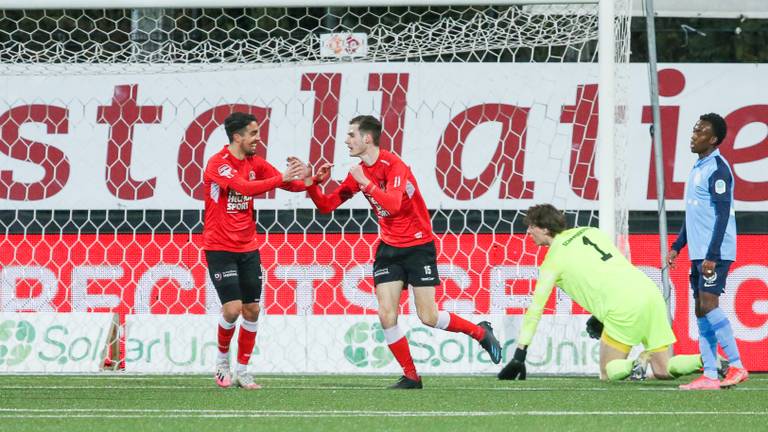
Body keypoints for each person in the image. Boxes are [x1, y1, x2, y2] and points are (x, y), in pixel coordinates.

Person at [295, 115, 502, 389]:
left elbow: (392, 205)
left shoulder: (394, 166)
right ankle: (411, 376)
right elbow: (326, 206)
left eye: (351, 135)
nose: (346, 140)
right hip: (389, 248)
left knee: (428, 316)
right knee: (386, 314)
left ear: (367, 138)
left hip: (418, 246)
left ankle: (480, 332)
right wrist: (311, 183)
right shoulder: (359, 172)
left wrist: (365, 184)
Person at [498, 204, 706, 382]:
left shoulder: (552, 261)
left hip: (621, 307)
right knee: (663, 370)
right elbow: (604, 271)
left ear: (544, 229)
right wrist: (599, 315)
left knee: (607, 373)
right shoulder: (591, 231)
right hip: (649, 292)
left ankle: (636, 363)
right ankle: (705, 360)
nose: (529, 232)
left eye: (531, 226)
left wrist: (519, 354)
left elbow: (535, 310)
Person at [203, 112, 317, 390]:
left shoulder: (255, 163)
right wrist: (281, 178)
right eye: (253, 133)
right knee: (231, 310)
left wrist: (311, 178)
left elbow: (289, 184)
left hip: (248, 247)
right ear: (237, 136)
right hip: (220, 247)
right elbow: (244, 187)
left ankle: (242, 370)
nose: (258, 138)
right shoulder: (218, 164)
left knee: (252, 310)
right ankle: (221, 363)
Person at [667, 113, 748, 390]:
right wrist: (678, 246)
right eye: (693, 129)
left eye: (699, 131)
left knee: (709, 305)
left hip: (716, 252)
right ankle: (711, 374)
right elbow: (695, 216)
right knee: (700, 310)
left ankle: (736, 365)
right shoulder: (698, 167)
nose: (693, 135)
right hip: (699, 252)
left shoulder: (718, 168)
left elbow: (723, 213)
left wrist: (712, 255)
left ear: (712, 139)